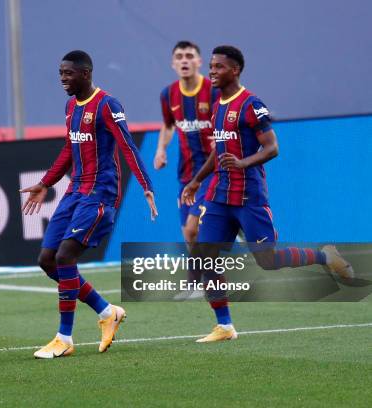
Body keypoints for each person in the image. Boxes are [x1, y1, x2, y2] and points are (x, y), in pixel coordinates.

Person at [181, 46, 354, 343]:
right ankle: (224, 325)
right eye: (210, 66)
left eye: (218, 67)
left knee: (268, 260)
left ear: (234, 70)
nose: (211, 71)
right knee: (206, 255)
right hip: (220, 195)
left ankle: (325, 255)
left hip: (249, 196)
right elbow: (218, 149)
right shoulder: (218, 102)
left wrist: (242, 163)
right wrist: (196, 180)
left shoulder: (251, 104)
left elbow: (272, 147)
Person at [20, 50, 158, 359]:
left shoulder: (108, 105)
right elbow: (69, 149)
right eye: (60, 73)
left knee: (66, 255)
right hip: (74, 191)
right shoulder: (71, 106)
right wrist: (45, 183)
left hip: (99, 194)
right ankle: (107, 311)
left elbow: (127, 146)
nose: (62, 79)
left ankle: (64, 338)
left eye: (68, 74)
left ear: (86, 74)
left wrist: (146, 187)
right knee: (47, 259)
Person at [155, 41, 219, 300]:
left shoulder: (213, 91)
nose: (184, 60)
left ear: (199, 62)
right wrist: (160, 150)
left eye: (189, 56)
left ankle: (199, 282)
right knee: (188, 233)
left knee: (193, 229)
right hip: (186, 173)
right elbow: (168, 125)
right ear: (173, 63)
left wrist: (221, 138)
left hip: (212, 170)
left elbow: (226, 119)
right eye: (179, 56)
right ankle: (196, 281)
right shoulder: (168, 94)